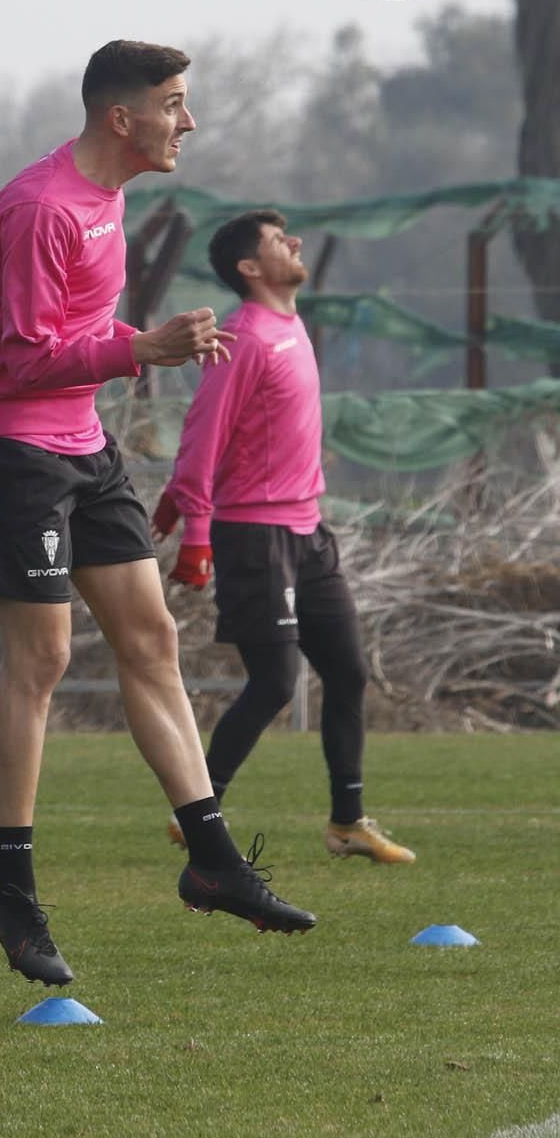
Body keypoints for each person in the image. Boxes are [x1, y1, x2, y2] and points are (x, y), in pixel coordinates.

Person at [0, 41, 317, 987]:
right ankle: (15, 896)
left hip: (81, 446)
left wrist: (146, 342)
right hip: (12, 451)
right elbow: (25, 358)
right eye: (174, 104)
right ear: (124, 118)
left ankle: (211, 859)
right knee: (44, 659)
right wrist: (140, 350)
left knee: (152, 641)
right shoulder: (39, 207)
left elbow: (77, 337)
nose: (186, 122)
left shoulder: (109, 200)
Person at [152, 209, 415, 865]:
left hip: (308, 531)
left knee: (348, 673)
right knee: (274, 681)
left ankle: (347, 823)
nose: (294, 244)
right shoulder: (242, 336)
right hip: (253, 533)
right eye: (278, 241)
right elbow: (203, 429)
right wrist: (195, 529)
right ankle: (198, 812)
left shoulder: (292, 327)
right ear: (250, 268)